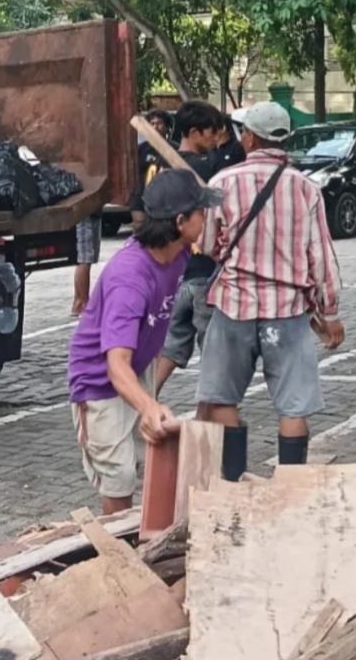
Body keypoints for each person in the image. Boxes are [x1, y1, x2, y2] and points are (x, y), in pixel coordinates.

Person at [195, 102, 345, 480]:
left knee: (223, 399)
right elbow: (321, 257)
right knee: (293, 409)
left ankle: (233, 481)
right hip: (290, 312)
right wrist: (330, 313)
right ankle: (290, 490)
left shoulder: (219, 185)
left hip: (233, 306)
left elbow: (209, 244)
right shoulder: (307, 189)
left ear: (250, 137)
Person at [68, 169, 223, 515]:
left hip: (138, 367)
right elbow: (115, 364)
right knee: (118, 477)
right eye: (202, 212)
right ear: (180, 221)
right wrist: (148, 406)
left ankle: (148, 537)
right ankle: (118, 553)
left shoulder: (179, 251)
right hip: (100, 382)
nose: (207, 217)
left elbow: (219, 242)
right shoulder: (130, 278)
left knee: (146, 457)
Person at [153, 101, 225, 392]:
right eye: (211, 132)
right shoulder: (199, 170)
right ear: (194, 132)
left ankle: (145, 399)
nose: (215, 139)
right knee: (214, 351)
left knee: (171, 345)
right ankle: (213, 409)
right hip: (201, 270)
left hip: (170, 271)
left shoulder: (158, 164)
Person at [130, 109, 173, 229]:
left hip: (166, 200)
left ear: (167, 127)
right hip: (142, 196)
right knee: (140, 230)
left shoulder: (175, 150)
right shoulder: (141, 150)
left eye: (159, 123)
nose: (155, 127)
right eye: (152, 123)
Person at [71, 215, 103, 316]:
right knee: (84, 259)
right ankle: (84, 303)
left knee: (86, 259)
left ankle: (79, 302)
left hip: (92, 213)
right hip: (84, 216)